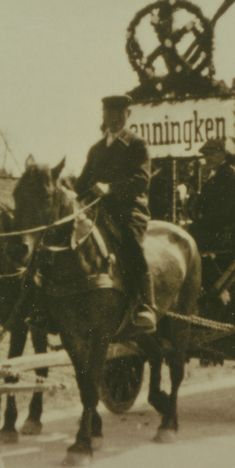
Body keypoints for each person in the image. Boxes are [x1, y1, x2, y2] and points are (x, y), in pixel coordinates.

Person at [74, 95, 156, 332]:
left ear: (127, 116)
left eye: (120, 115)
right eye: (110, 115)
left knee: (130, 243)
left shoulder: (137, 144)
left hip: (130, 212)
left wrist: (110, 188)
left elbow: (142, 180)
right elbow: (81, 184)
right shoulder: (96, 149)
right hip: (99, 213)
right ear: (103, 116)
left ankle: (145, 305)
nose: (114, 120)